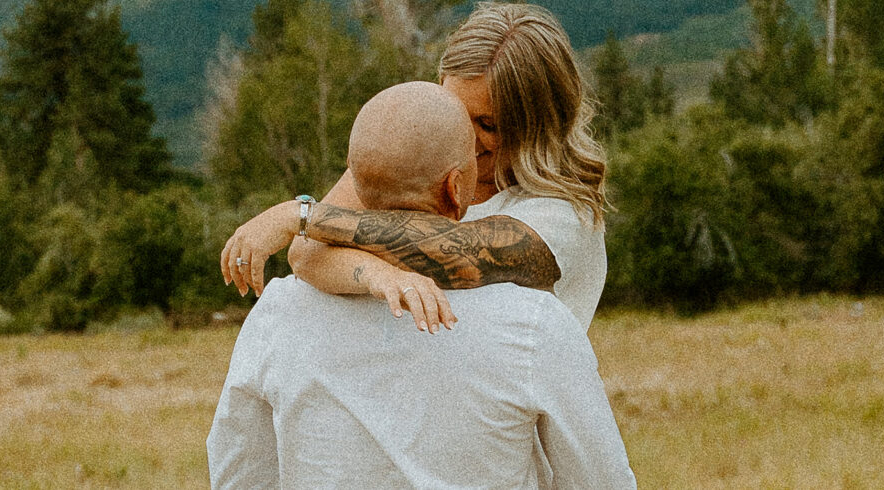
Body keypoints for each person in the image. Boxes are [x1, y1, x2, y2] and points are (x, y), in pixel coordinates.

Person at [207, 82, 635, 488]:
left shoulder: (277, 317)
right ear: (456, 185)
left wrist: (302, 217)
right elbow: (602, 481)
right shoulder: (535, 327)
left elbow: (238, 475)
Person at [221, 3, 608, 333]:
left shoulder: (563, 212)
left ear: (539, 124)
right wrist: (379, 276)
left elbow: (457, 253)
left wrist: (300, 214)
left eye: (488, 125)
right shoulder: (417, 154)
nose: (466, 141)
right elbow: (307, 255)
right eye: (455, 112)